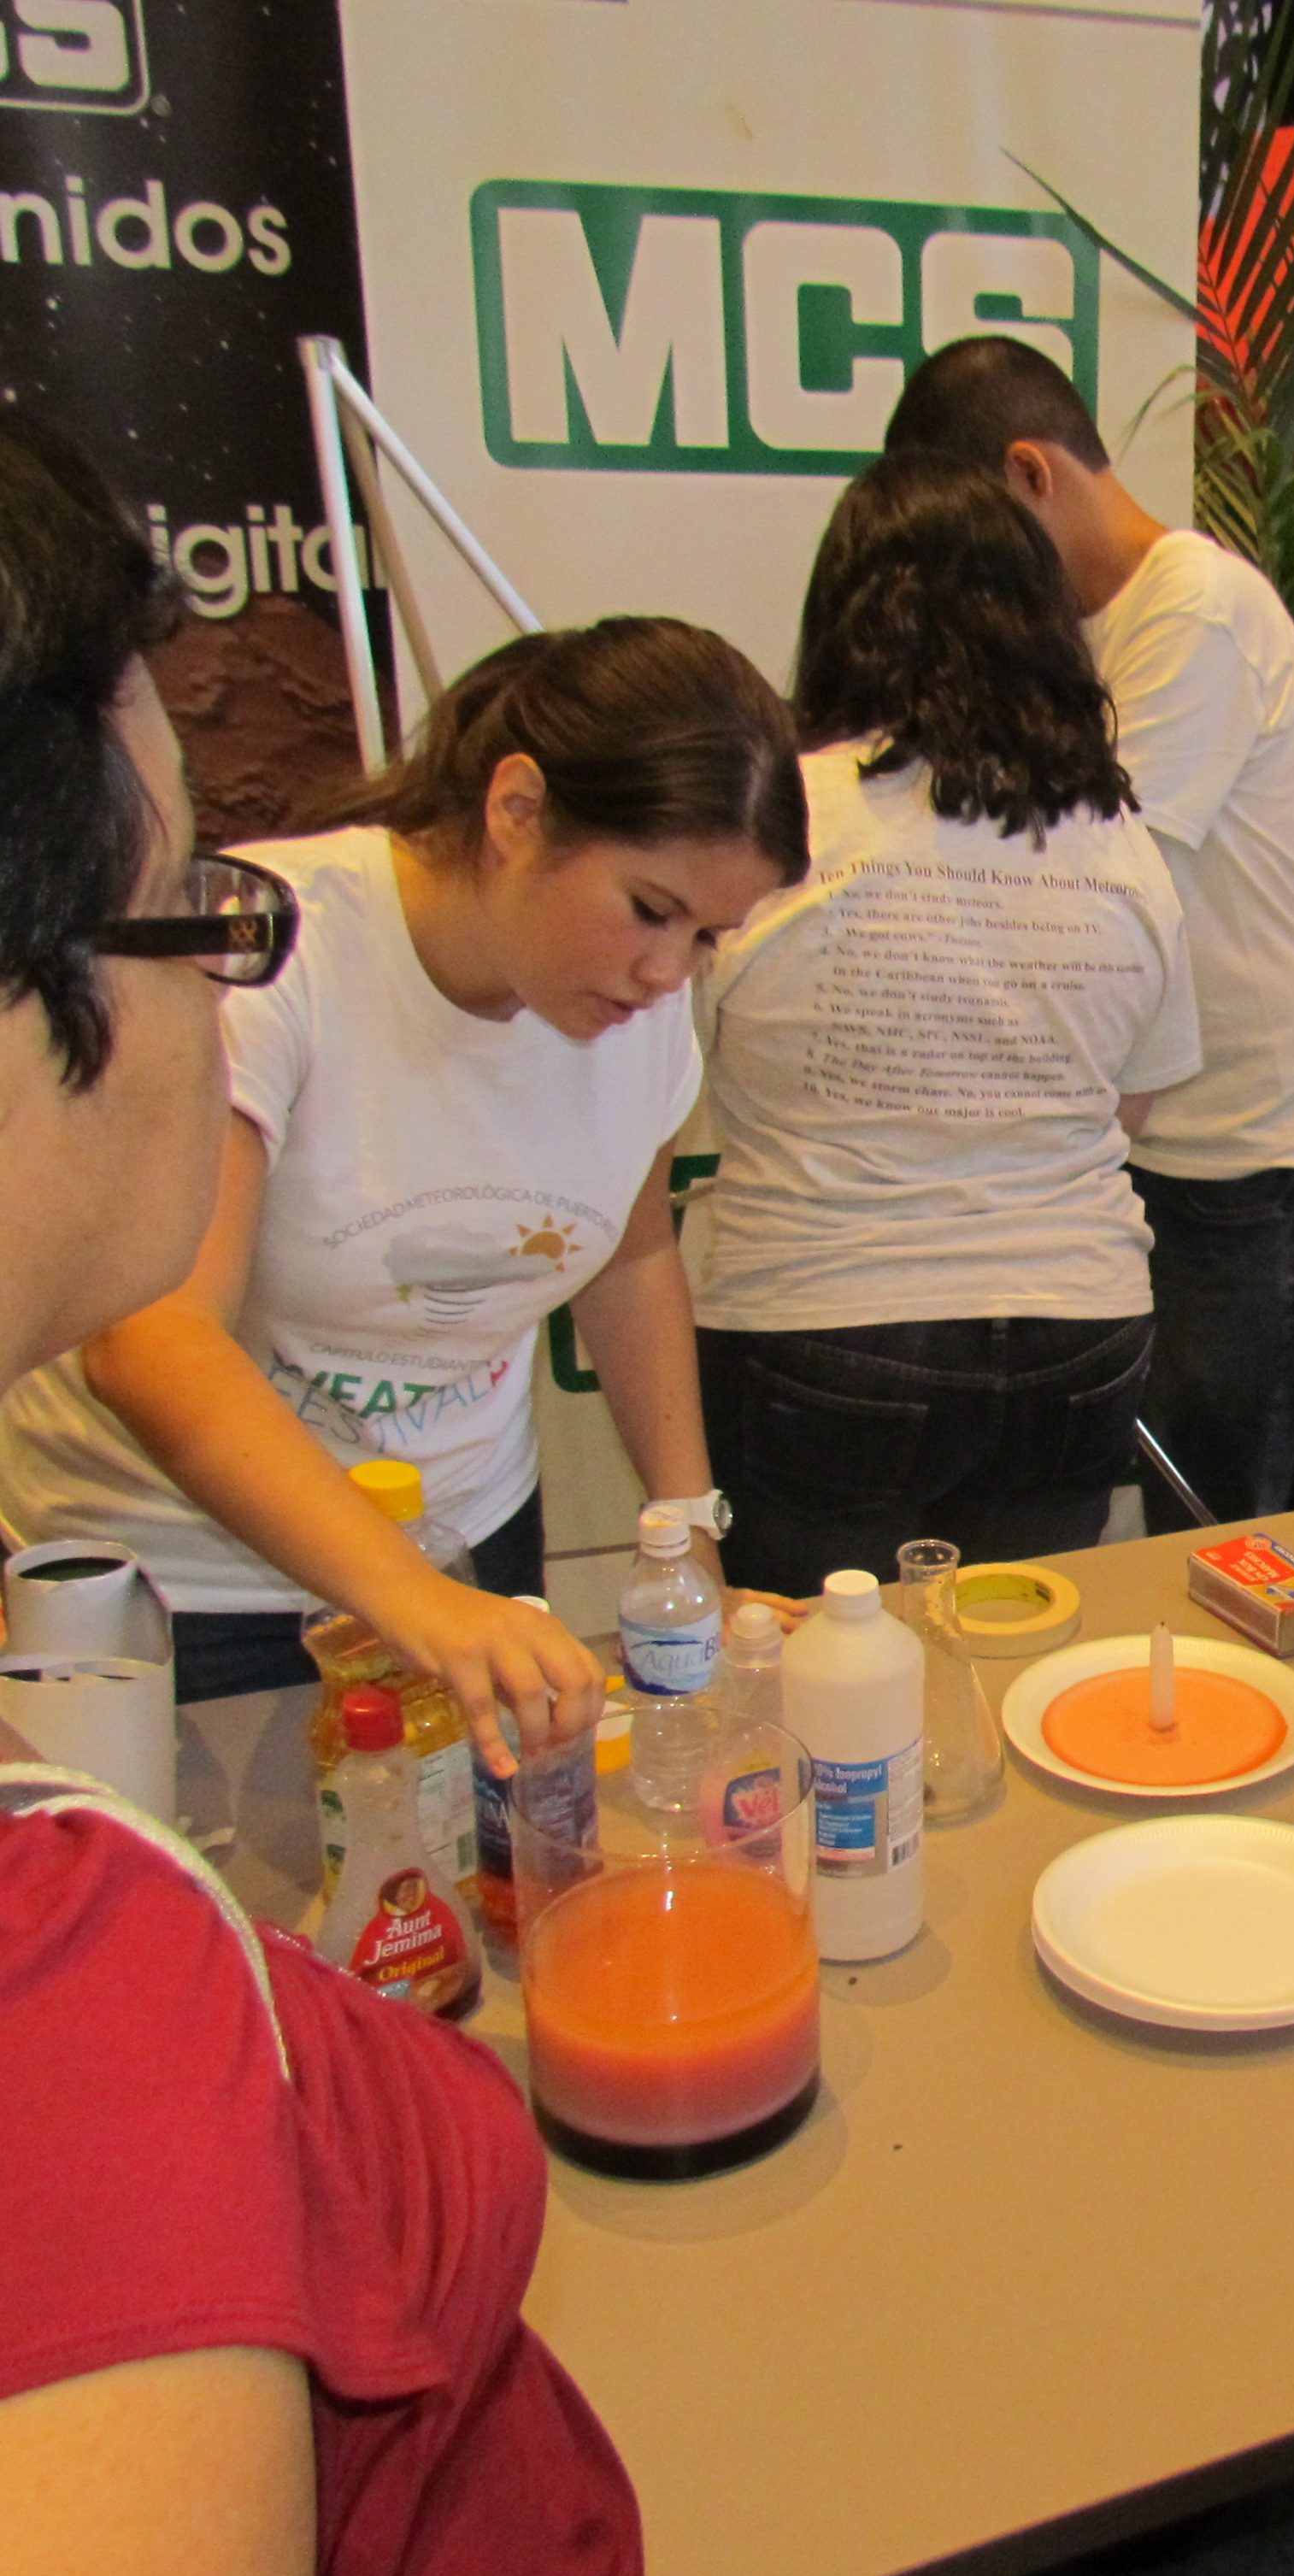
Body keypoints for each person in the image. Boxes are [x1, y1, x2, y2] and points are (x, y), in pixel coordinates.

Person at [0, 411, 687, 2576]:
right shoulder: (79, 1970)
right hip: (219, 1592)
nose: (220, 985)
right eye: (191, 918)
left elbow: (637, 1255)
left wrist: (666, 1524)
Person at [0, 616, 808, 1761]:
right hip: (193, 1578)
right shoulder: (275, 955)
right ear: (517, 810)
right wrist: (411, 1598)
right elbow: (153, 1340)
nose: (667, 973)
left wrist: (688, 1542)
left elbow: (630, 1259)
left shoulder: (640, 1013)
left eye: (710, 937)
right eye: (649, 909)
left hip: (468, 1538)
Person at [885, 336, 1294, 1529]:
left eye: (976, 538)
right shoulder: (1084, 632)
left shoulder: (1193, 608)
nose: (970, 582)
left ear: (1031, 473)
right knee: (1124, 1492)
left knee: (1211, 1522)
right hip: (1142, 1138)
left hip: (1240, 1148)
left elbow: (1091, 886)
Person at [693, 449, 1202, 1582]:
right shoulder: (1118, 840)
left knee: (822, 1674)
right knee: (1012, 1662)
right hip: (1078, 1331)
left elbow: (663, 1067)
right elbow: (1133, 1103)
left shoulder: (771, 818)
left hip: (819, 1326)